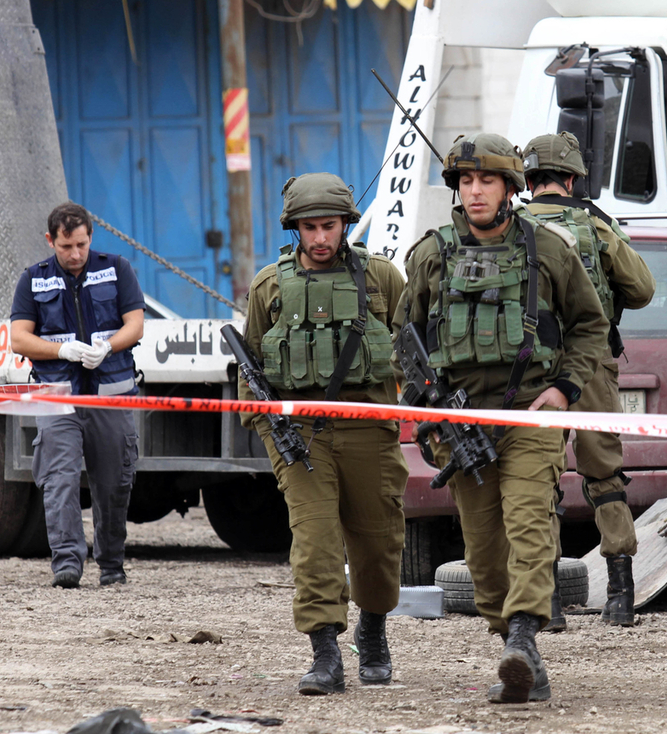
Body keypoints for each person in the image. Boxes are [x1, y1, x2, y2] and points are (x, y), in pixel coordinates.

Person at [393, 132, 608, 703]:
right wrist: (428, 405)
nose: (475, 190)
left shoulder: (548, 250)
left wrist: (564, 387)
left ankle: (523, 639)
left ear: (510, 187)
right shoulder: (432, 255)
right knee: (484, 556)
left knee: (530, 526)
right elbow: (403, 338)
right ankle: (515, 647)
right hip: (460, 426)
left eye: (487, 180)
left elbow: (590, 326)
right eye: (466, 181)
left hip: (529, 416)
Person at [238, 172, 408, 696]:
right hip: (300, 436)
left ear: (346, 225)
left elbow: (416, 348)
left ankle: (372, 629)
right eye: (309, 228)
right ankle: (325, 652)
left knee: (378, 543)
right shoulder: (270, 285)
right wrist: (272, 431)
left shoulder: (381, 278)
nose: (319, 238)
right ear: (295, 228)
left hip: (369, 429)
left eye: (328, 226)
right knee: (315, 543)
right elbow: (250, 371)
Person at [520, 131, 656, 629]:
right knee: (604, 473)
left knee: (539, 476)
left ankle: (548, 602)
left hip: (533, 370)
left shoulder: (514, 228)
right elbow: (641, 290)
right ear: (573, 179)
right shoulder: (595, 225)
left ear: (528, 181)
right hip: (593, 362)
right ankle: (620, 596)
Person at [10, 202, 144, 589]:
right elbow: (19, 338)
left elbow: (135, 325)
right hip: (57, 397)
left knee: (115, 483)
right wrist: (61, 350)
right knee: (59, 480)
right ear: (50, 240)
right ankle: (67, 564)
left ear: (90, 237)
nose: (75, 254)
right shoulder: (33, 279)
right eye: (66, 246)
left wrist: (109, 346)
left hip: (110, 396)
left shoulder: (116, 268)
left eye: (81, 245)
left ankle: (112, 565)